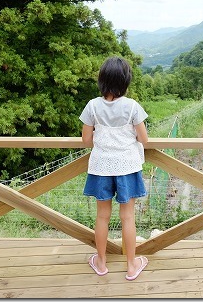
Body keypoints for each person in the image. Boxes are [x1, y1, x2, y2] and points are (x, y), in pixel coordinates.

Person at [80, 56, 149, 281]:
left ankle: (101, 263)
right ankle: (131, 265)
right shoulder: (132, 107)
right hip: (127, 166)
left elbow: (86, 139)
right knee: (127, 217)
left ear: (102, 80)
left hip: (101, 167)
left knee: (102, 217)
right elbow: (144, 139)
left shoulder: (92, 105)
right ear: (125, 81)